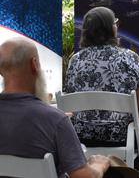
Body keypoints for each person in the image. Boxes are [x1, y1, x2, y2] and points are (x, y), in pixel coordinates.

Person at [0, 37, 110, 178]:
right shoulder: (55, 120)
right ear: (34, 64)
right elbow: (84, 177)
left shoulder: (55, 119)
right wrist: (99, 164)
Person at [65, 7, 139, 174]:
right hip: (122, 137)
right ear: (112, 29)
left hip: (82, 138)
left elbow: (73, 108)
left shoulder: (74, 61)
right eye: (115, 23)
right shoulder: (130, 58)